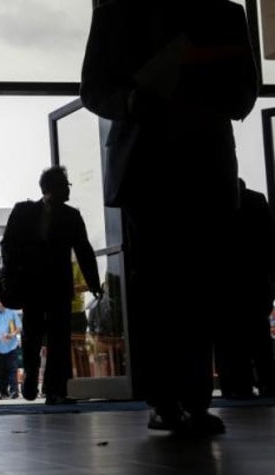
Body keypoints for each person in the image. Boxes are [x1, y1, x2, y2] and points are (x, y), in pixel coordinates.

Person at [81, 0, 258, 434]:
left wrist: (161, 92)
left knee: (188, 287)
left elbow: (244, 93)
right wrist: (138, 99)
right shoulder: (222, 15)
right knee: (170, 287)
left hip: (184, 164)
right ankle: (177, 399)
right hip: (161, 168)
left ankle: (180, 400)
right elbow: (94, 90)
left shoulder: (119, 14)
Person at [1, 166, 101, 406]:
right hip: (34, 286)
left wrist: (94, 283)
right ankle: (33, 378)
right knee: (34, 335)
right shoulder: (25, 211)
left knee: (57, 338)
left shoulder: (70, 216)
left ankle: (55, 388)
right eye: (65, 185)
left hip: (54, 287)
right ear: (51, 189)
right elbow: (8, 246)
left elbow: (84, 251)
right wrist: (13, 275)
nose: (68, 189)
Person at [216, 178, 275, 398]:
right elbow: (270, 244)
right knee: (259, 338)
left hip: (224, 285)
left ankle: (235, 386)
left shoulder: (210, 204)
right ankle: (267, 382)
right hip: (255, 282)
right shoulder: (257, 201)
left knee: (228, 340)